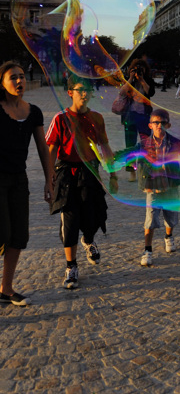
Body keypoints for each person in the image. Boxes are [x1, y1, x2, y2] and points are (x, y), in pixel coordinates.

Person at [47, 75, 118, 290]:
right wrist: (49, 179)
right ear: (70, 92)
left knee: (93, 214)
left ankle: (88, 240)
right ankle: (71, 266)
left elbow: (104, 146)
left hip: (90, 171)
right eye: (80, 90)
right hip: (67, 172)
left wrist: (113, 174)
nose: (85, 94)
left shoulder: (96, 118)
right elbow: (50, 149)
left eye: (87, 90)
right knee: (70, 219)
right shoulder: (61, 118)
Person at [0, 61, 54, 306]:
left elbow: (43, 148)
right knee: (3, 233)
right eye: (13, 77)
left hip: (19, 180)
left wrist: (49, 181)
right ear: (2, 82)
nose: (19, 81)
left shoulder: (34, 112)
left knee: (19, 235)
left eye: (22, 76)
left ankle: (6, 289)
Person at [138, 109, 180, 267]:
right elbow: (132, 156)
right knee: (150, 219)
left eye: (162, 123)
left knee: (170, 216)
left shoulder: (174, 142)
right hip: (152, 186)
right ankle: (147, 250)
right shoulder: (144, 144)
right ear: (150, 125)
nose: (159, 126)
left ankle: (169, 238)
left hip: (170, 184)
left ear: (168, 125)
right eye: (156, 123)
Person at [118, 59, 156, 181]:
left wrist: (142, 80)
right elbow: (122, 92)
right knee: (130, 145)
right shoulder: (129, 81)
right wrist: (130, 78)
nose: (139, 71)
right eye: (136, 69)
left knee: (146, 144)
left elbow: (150, 92)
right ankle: (131, 172)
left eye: (141, 69)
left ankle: (145, 169)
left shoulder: (148, 80)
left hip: (144, 116)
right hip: (130, 116)